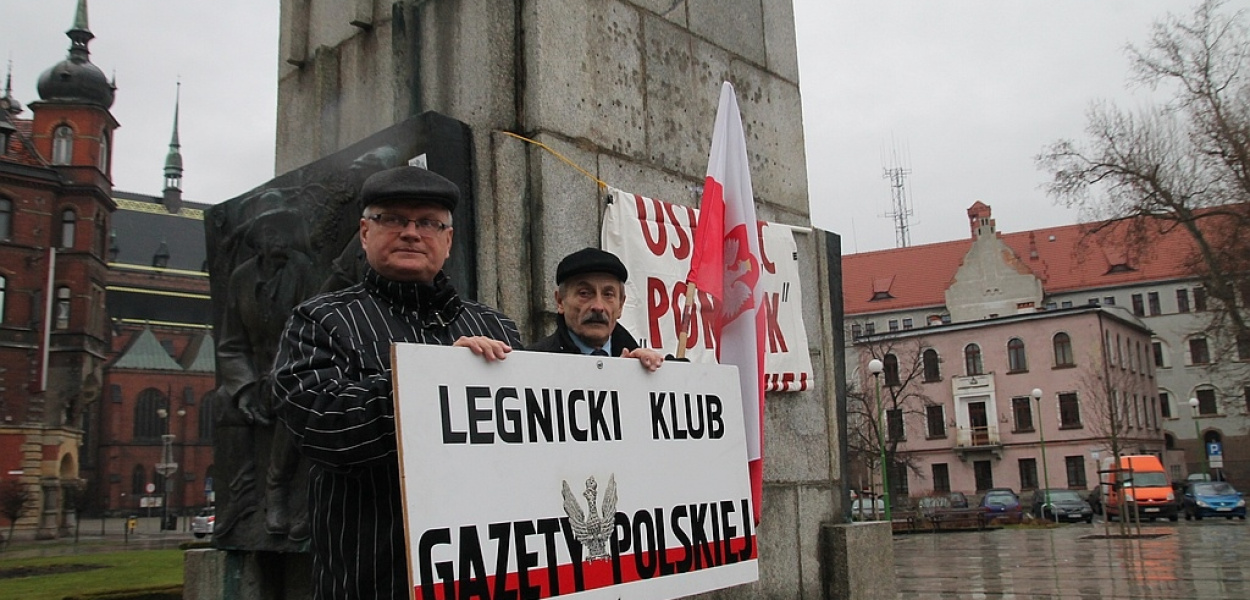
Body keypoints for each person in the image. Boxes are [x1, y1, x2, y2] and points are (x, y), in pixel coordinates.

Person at [271, 166, 521, 600]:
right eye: (392, 219)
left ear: (448, 239)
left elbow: (543, 432)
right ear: (365, 233)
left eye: (427, 223)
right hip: (372, 580)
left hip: (485, 575)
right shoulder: (321, 320)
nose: (410, 233)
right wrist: (434, 382)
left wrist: (628, 376)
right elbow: (320, 426)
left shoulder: (496, 325)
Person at [530, 247, 664, 371]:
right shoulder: (530, 366)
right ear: (560, 301)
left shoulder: (644, 368)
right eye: (584, 293)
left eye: (608, 295)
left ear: (621, 305)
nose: (598, 307)